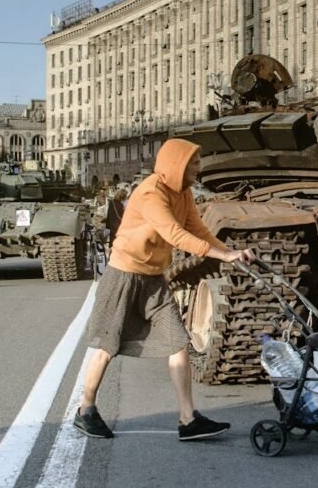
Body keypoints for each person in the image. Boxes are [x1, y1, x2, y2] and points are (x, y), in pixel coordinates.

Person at [75, 138, 254, 441]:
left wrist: (232, 252)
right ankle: (86, 409)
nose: (198, 167)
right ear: (176, 165)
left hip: (153, 277)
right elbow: (174, 233)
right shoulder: (150, 192)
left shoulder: (182, 194)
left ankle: (188, 419)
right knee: (109, 345)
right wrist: (222, 256)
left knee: (178, 342)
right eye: (193, 163)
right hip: (124, 273)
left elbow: (198, 230)